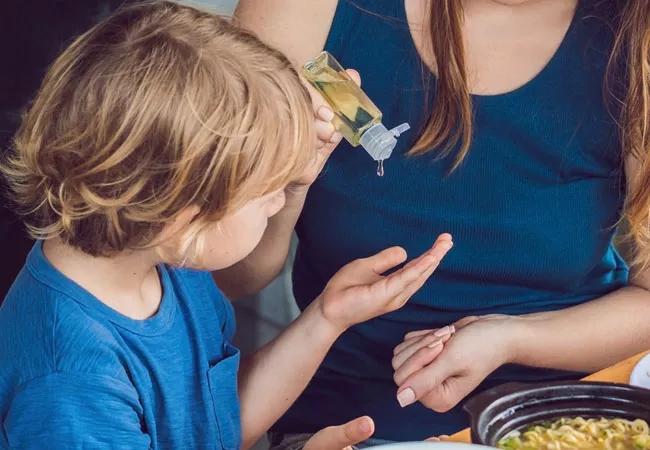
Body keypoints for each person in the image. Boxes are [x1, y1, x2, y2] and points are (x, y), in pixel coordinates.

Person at [0, 2, 453, 448]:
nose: (280, 200)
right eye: (268, 191)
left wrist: (327, 317)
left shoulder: (166, 266)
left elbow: (213, 428)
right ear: (185, 217)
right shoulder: (73, 383)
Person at [216, 0, 650, 445]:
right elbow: (229, 272)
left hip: (576, 415)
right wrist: (288, 183)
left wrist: (512, 338)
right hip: (356, 423)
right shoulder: (304, 11)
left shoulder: (635, 33)